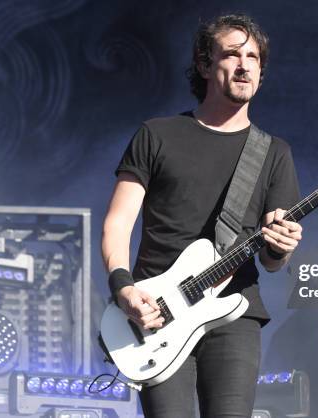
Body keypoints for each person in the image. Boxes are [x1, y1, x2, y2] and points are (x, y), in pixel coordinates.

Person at [101, 13, 302, 418]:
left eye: (254, 57)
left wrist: (281, 248)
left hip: (234, 310)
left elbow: (272, 262)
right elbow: (118, 223)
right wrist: (124, 289)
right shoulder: (157, 135)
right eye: (232, 54)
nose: (244, 65)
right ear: (205, 64)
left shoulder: (273, 152)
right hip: (157, 311)